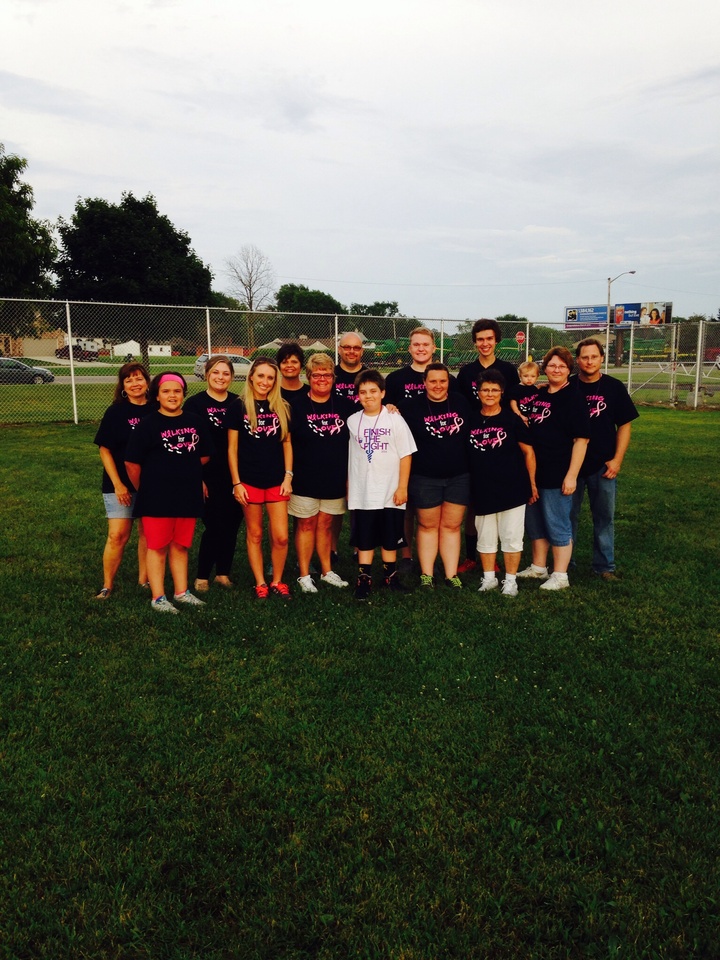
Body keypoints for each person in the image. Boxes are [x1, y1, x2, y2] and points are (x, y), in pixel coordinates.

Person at [125, 371, 212, 614]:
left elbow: (204, 455)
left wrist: (187, 472)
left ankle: (182, 592)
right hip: (156, 497)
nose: (172, 395)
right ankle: (158, 596)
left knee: (181, 545)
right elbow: (132, 464)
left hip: (187, 494)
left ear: (184, 393)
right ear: (157, 395)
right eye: (166, 391)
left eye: (177, 391)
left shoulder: (195, 421)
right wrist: (147, 488)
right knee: (158, 546)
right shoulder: (147, 424)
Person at [519, 347, 590, 591]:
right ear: (544, 369)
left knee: (558, 523)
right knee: (536, 522)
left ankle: (561, 575)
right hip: (535, 470)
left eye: (561, 366)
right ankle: (539, 567)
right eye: (551, 365)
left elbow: (582, 440)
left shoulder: (574, 397)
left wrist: (571, 475)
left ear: (569, 370)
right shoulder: (541, 395)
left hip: (558, 471)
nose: (556, 369)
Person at [569, 338, 639, 580]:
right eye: (584, 357)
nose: (589, 361)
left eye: (594, 357)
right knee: (568, 517)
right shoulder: (567, 386)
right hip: (571, 467)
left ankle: (605, 566)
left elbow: (625, 425)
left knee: (604, 518)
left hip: (603, 465)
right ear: (577, 360)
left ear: (601, 358)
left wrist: (617, 459)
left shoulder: (614, 387)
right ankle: (565, 563)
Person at [456, 318, 520, 574]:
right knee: (474, 505)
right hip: (474, 440)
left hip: (501, 441)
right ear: (475, 342)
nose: (485, 343)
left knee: (503, 502)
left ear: (497, 341)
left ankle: (503, 556)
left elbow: (516, 400)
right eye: (480, 339)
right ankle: (473, 555)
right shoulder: (466, 372)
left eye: (489, 339)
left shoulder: (508, 370)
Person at [226, 357, 293, 599]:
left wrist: (288, 476)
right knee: (254, 534)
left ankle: (277, 580)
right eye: (261, 376)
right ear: (251, 376)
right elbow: (231, 449)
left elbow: (287, 444)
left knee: (281, 536)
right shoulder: (238, 406)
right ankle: (261, 583)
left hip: (277, 480)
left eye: (270, 377)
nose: (265, 381)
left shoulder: (282, 406)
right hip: (249, 481)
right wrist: (236, 483)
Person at [347, 369, 417, 600]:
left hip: (389, 490)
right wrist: (350, 485)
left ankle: (390, 577)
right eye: (363, 392)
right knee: (365, 538)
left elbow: (406, 454)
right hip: (364, 491)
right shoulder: (352, 420)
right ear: (357, 395)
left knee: (390, 536)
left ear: (383, 393)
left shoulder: (394, 418)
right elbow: (352, 456)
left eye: (373, 391)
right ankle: (363, 579)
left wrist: (402, 487)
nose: (368, 396)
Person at [400, 363, 471, 588]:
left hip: (459, 476)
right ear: (424, 383)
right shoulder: (410, 407)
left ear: (448, 382)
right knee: (427, 526)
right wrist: (391, 407)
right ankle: (427, 574)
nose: (438, 385)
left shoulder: (460, 402)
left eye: (443, 381)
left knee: (451, 526)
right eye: (433, 381)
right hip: (424, 477)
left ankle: (451, 574)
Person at [467, 371, 537, 597]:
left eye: (494, 390)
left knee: (511, 536)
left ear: (502, 393)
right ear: (478, 392)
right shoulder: (470, 419)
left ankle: (510, 580)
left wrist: (532, 484)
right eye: (485, 390)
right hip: (482, 487)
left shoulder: (512, 419)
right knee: (486, 536)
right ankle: (489, 578)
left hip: (512, 486)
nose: (489, 394)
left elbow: (529, 453)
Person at [288, 353, 354, 592]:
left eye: (327, 374)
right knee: (305, 524)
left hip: (334, 477)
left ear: (333, 377)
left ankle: (327, 570)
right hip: (304, 477)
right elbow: (286, 442)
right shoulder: (295, 406)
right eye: (317, 375)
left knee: (326, 524)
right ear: (309, 377)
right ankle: (304, 574)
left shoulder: (346, 406)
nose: (322, 379)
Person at [93, 362, 154, 599]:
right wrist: (118, 484)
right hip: (119, 484)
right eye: (128, 380)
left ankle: (144, 580)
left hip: (151, 483)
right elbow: (105, 450)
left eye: (139, 378)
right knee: (117, 535)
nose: (134, 383)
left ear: (147, 382)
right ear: (123, 386)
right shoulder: (115, 412)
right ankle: (107, 585)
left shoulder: (156, 409)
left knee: (148, 533)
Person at [183, 355, 243, 592]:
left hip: (235, 474)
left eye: (226, 373)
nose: (221, 377)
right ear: (207, 374)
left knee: (232, 524)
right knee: (215, 526)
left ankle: (223, 573)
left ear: (232, 376)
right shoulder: (194, 405)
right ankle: (202, 576)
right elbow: (189, 445)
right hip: (207, 475)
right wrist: (197, 478)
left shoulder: (239, 403)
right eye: (216, 372)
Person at [334, 332, 367, 403]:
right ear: (339, 350)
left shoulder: (371, 376)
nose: (352, 351)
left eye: (356, 348)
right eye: (347, 347)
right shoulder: (329, 376)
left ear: (362, 351)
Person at [509, 360, 541, 424]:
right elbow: (513, 404)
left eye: (533, 376)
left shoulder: (534, 389)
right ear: (520, 376)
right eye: (526, 376)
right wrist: (520, 415)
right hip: (519, 417)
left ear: (537, 377)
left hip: (532, 418)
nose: (529, 379)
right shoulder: (516, 389)